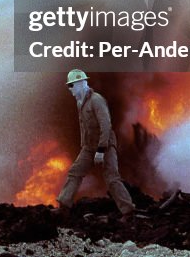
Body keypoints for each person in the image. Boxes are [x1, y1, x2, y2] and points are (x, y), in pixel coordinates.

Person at [56, 69, 136, 216]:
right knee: (75, 172)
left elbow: (106, 125)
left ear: (80, 83)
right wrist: (85, 148)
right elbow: (84, 127)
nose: (70, 89)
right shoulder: (81, 103)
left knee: (112, 178)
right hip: (89, 146)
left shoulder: (96, 100)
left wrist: (101, 149)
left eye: (72, 85)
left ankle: (128, 211)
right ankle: (64, 206)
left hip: (104, 145)